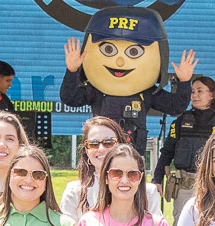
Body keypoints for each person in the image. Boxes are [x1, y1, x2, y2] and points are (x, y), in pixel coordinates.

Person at [59, 9, 196, 157]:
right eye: (108, 49)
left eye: (134, 52)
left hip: (132, 160)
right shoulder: (95, 91)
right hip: (101, 157)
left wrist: (184, 81)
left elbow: (176, 107)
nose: (120, 61)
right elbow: (70, 98)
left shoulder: (147, 93)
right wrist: (72, 71)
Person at [151, 74, 215, 220]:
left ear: (212, 95)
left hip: (214, 186)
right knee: (182, 225)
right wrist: (157, 179)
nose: (195, 95)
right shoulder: (180, 122)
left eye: (200, 91)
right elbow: (166, 153)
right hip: (184, 186)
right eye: (192, 92)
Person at [61, 115, 163, 223]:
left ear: (121, 146)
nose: (101, 149)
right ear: (86, 151)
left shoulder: (148, 193)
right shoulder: (74, 192)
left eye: (109, 143)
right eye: (93, 144)